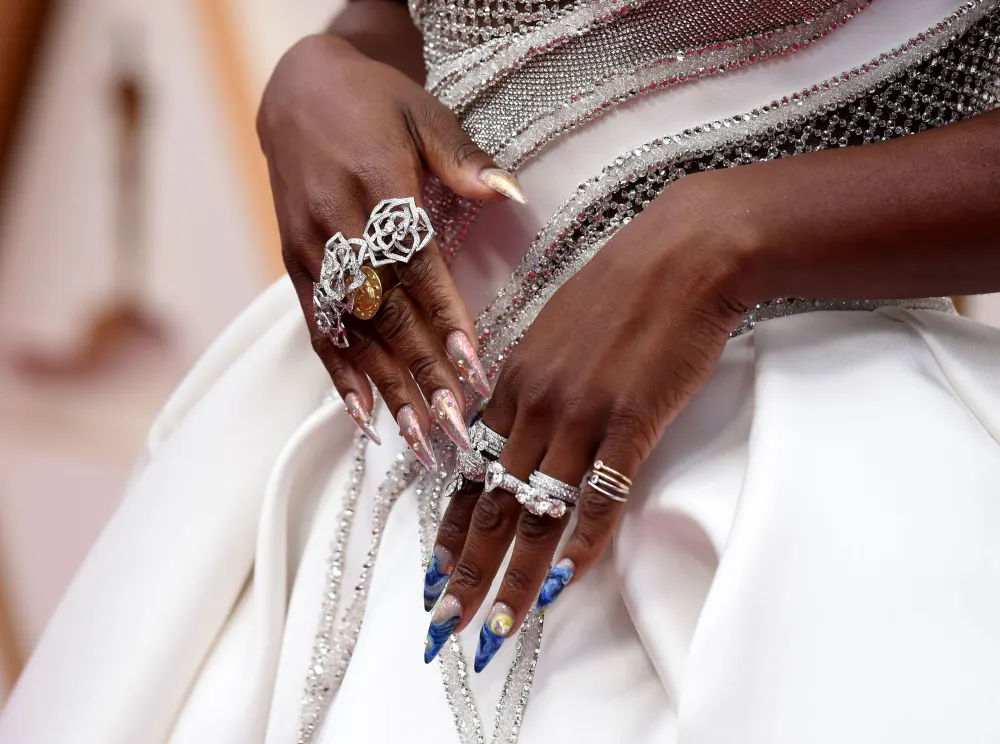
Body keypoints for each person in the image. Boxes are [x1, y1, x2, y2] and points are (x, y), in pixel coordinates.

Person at [4, 0, 1000, 741]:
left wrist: (722, 238)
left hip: (791, 469)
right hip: (370, 446)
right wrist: (317, 72)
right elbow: (424, 19)